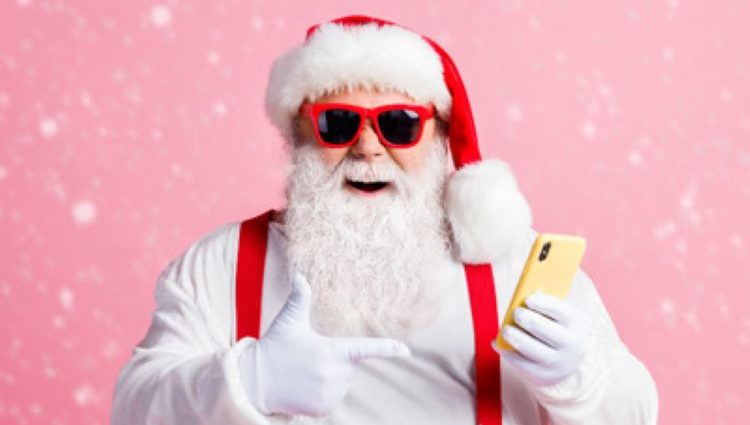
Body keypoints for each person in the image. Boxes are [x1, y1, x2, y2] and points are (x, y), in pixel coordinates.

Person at [111, 15, 659, 425]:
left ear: (439, 137)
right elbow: (134, 407)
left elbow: (638, 413)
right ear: (297, 137)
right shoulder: (222, 264)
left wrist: (577, 377)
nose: (369, 148)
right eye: (337, 123)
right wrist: (253, 380)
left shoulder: (508, 261)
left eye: (399, 124)